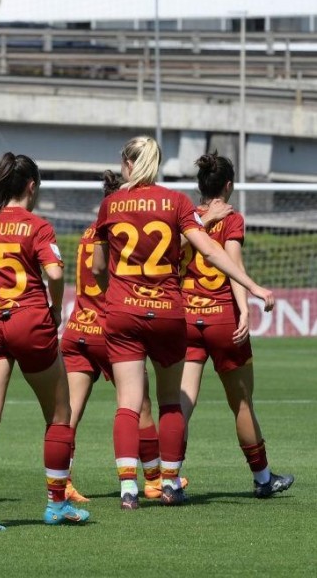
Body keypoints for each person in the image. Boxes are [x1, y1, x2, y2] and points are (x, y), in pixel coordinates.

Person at [91, 136, 275, 510]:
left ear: (128, 164)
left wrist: (119, 289)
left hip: (124, 310)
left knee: (128, 403)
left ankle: (130, 488)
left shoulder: (110, 204)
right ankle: (172, 483)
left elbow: (96, 268)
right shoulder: (175, 201)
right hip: (169, 313)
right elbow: (209, 247)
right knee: (171, 401)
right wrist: (252, 286)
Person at [0, 152, 90, 533]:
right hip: (29, 321)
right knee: (59, 415)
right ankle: (56, 504)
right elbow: (54, 270)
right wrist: (54, 307)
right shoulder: (37, 226)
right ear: (31, 186)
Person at [61, 171, 186, 503]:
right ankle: (155, 480)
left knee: (69, 411)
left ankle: (63, 479)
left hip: (77, 328)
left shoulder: (91, 233)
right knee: (139, 404)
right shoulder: (122, 232)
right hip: (109, 327)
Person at [180, 153, 294, 498]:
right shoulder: (231, 219)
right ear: (229, 185)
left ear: (200, 186)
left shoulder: (185, 217)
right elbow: (232, 264)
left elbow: (171, 254)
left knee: (181, 401)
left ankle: (167, 476)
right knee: (242, 404)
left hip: (185, 318)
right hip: (222, 320)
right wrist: (244, 310)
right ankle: (262, 479)